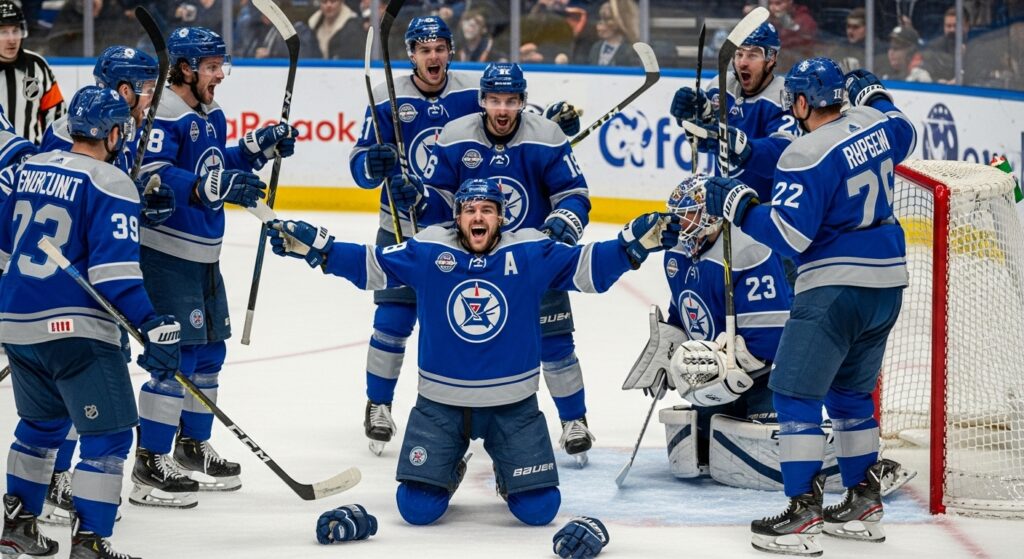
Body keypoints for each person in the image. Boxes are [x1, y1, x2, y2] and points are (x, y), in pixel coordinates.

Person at [266, 177, 680, 527]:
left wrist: (631, 245)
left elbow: (589, 266)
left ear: (501, 216)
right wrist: (317, 249)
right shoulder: (429, 251)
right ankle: (451, 464)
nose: (478, 217)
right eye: (469, 210)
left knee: (540, 510)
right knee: (416, 509)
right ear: (458, 217)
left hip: (513, 406)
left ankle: (508, 470)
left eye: (487, 209)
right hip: (440, 405)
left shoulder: (530, 252)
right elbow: (369, 264)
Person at [701, 58, 915, 556]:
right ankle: (863, 502)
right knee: (850, 397)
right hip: (887, 286)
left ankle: (801, 512)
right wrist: (875, 92)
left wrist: (741, 206)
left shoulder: (804, 151)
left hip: (834, 288)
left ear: (801, 102)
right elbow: (904, 125)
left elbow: (791, 237)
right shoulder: (877, 123)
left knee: (794, 396)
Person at [0, 85, 182, 559]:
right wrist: (152, 323)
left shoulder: (31, 168)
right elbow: (114, 277)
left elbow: (4, 251)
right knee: (109, 437)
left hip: (16, 322)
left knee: (40, 428)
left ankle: (17, 528)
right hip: (75, 332)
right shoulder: (110, 180)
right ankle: (90, 543)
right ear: (115, 132)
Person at [131, 26, 293, 508]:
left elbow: (215, 162)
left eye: (222, 65)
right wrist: (212, 187)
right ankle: (151, 459)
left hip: (205, 254)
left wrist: (257, 148)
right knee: (172, 358)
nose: (220, 75)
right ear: (185, 68)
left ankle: (192, 444)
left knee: (209, 356)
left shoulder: (211, 112)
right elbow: (153, 173)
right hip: (167, 254)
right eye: (211, 67)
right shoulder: (165, 112)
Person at [414, 62, 595, 465]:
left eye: (511, 101)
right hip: (468, 258)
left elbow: (575, 194)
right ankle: (453, 427)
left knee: (556, 342)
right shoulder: (456, 136)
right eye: (494, 99)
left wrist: (562, 225)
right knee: (466, 339)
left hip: (528, 258)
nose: (502, 109)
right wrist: (420, 205)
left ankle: (574, 420)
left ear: (523, 102)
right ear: (481, 100)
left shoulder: (546, 136)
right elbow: (438, 203)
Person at [34, 44, 176, 526]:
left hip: (85, 285)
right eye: (144, 85)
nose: (151, 94)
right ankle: (57, 477)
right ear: (121, 89)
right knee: (75, 392)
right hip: (71, 291)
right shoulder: (66, 141)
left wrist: (140, 207)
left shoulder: (112, 128)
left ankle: (59, 481)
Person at [347, 15, 483, 456]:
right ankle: (378, 405)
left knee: (457, 325)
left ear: (451, 51)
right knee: (392, 320)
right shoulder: (388, 97)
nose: (433, 57)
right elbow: (359, 163)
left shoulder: (470, 94)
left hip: (453, 233)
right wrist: (374, 166)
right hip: (399, 227)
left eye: (440, 48)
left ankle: (461, 408)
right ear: (411, 56)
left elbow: (500, 135)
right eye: (424, 50)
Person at [670, 22, 798, 196]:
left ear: (772, 58)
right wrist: (693, 118)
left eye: (752, 55)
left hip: (766, 209)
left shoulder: (784, 96)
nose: (742, 63)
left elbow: (782, 157)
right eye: (739, 54)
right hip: (723, 203)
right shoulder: (721, 85)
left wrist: (743, 148)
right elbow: (703, 142)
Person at [0, 0, 63, 145]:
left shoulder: (37, 66)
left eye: (15, 30)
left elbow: (57, 119)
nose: (12, 39)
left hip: (29, 162)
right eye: (3, 32)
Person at [586, 0, 640, 67]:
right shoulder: (595, 48)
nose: (599, 27)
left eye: (607, 20)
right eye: (600, 19)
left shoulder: (631, 52)